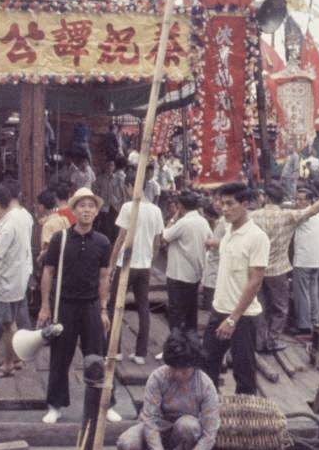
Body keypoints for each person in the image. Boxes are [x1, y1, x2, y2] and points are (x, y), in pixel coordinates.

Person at [38, 187, 119, 424]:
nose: (86, 210)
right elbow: (48, 272)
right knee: (59, 357)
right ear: (73, 210)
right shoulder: (59, 239)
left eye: (91, 206)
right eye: (82, 205)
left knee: (98, 355)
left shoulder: (103, 242)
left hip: (92, 305)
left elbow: (105, 277)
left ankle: (106, 403)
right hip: (64, 306)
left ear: (96, 211)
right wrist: (45, 306)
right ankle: (55, 405)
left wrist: (103, 308)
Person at [117, 332, 220, 450]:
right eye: (174, 368)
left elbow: (210, 432)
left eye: (184, 371)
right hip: (157, 426)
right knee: (127, 444)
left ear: (194, 366)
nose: (178, 374)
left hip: (183, 434)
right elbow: (150, 419)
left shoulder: (205, 385)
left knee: (189, 426)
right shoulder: (158, 377)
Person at [252, 178, 319, 352]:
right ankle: (272, 340)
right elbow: (315, 209)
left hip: (256, 268)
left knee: (259, 307)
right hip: (278, 270)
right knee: (280, 308)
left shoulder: (253, 216)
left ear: (266, 198)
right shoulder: (288, 216)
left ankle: (259, 340)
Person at [201, 181, 269, 395]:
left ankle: (245, 422)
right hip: (218, 310)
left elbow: (255, 281)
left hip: (242, 317)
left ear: (245, 204)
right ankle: (209, 412)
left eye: (230, 204)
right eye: (222, 204)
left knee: (244, 373)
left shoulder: (257, 237)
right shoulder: (229, 231)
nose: (225, 209)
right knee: (206, 364)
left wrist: (233, 319)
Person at [108, 172, 164, 365]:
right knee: (143, 308)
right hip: (144, 266)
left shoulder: (128, 207)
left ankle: (115, 350)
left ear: (131, 186)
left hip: (126, 264)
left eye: (127, 187)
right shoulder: (156, 210)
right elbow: (157, 243)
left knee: (115, 305)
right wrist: (149, 260)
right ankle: (140, 354)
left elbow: (120, 239)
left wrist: (110, 265)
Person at [0, 185, 32, 375]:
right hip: (18, 277)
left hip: (6, 280)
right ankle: (16, 358)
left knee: (7, 324)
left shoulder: (8, 225)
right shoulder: (21, 215)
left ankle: (8, 363)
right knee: (13, 322)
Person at [162, 191, 211, 333]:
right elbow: (209, 240)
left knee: (176, 314)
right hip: (194, 273)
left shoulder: (183, 223)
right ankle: (191, 344)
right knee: (190, 313)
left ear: (181, 206)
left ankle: (176, 346)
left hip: (178, 274)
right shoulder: (203, 221)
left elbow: (164, 236)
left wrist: (173, 218)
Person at [291, 181, 319, 339]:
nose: (298, 202)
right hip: (316, 260)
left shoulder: (303, 216)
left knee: (302, 293)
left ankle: (304, 326)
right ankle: (315, 320)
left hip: (304, 259)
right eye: (297, 199)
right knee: (313, 291)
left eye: (302, 200)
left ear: (310, 201)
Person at [200, 198, 226, 313]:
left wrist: (209, 242)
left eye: (219, 201)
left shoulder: (224, 221)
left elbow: (226, 242)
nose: (216, 203)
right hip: (214, 261)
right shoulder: (220, 220)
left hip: (218, 262)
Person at [37, 188, 69, 266]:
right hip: (66, 259)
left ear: (42, 206)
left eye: (38, 204)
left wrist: (39, 259)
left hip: (52, 263)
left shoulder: (47, 225)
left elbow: (47, 249)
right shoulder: (64, 218)